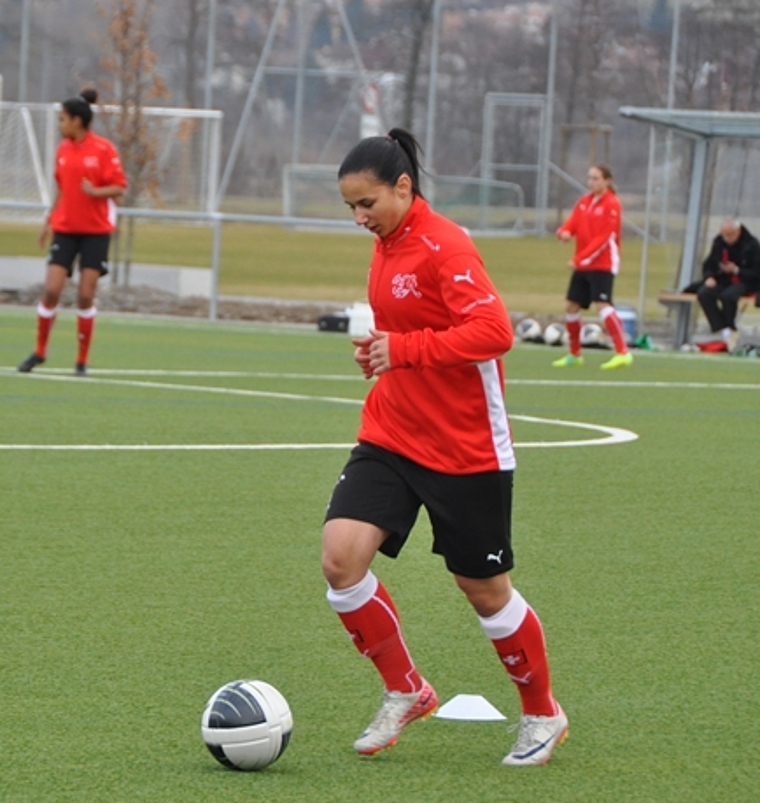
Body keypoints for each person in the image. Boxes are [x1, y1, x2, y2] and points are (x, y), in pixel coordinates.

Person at [321, 128, 567, 767]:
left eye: (367, 203)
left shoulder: (445, 244)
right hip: (392, 432)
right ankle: (406, 689)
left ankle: (543, 712)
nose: (358, 218)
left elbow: (493, 331)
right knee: (341, 560)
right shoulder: (386, 243)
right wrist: (382, 352)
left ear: (404, 187)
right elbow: (408, 327)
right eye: (350, 207)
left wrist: (402, 350)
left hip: (466, 447)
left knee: (483, 588)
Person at [18, 88, 127, 376]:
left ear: (77, 121)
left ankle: (81, 360)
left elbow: (119, 187)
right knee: (52, 290)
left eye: (63, 119)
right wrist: (49, 220)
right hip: (65, 230)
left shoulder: (103, 150)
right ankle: (40, 351)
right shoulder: (63, 149)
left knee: (84, 296)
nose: (60, 124)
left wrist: (96, 191)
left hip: (95, 232)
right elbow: (62, 189)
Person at [551, 164, 632, 370]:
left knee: (602, 305)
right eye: (590, 178)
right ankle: (575, 354)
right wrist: (564, 232)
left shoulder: (612, 204)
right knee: (571, 305)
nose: (592, 182)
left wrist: (580, 259)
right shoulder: (584, 201)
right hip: (584, 263)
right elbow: (573, 223)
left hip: (602, 263)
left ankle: (623, 352)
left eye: (596, 178)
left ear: (607, 180)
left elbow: (604, 238)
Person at [692, 219, 760, 352]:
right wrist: (709, 277)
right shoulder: (719, 243)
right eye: (724, 234)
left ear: (738, 231)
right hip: (723, 280)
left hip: (745, 282)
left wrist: (737, 270)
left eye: (730, 234)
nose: (727, 238)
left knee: (728, 296)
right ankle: (723, 330)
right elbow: (709, 263)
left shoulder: (751, 245)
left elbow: (756, 272)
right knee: (704, 293)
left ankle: (729, 327)